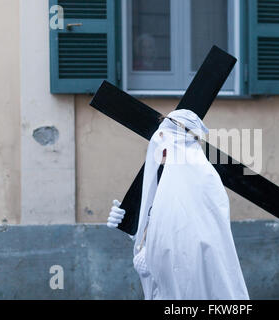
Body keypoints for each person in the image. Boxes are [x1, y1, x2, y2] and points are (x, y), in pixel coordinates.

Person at [107, 109, 249, 300]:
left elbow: (197, 243)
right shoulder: (167, 182)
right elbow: (165, 228)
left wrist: (156, 253)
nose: (159, 152)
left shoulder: (203, 181)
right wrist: (134, 228)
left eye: (164, 144)